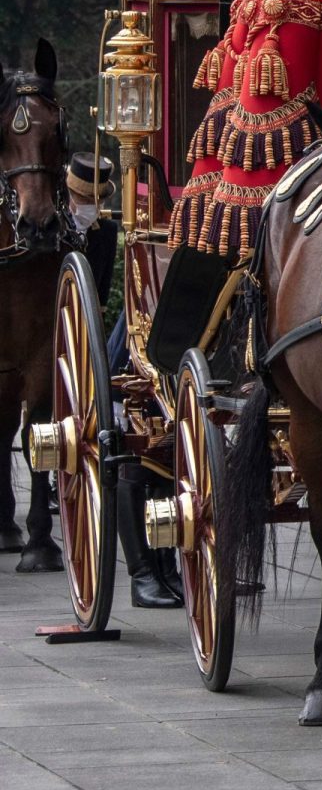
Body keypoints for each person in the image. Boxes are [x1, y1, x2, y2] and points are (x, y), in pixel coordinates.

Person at [68, 153, 184, 608]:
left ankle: (166, 567)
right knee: (134, 454)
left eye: (91, 200)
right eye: (81, 199)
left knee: (168, 459)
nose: (86, 207)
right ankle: (141, 573)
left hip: (134, 332)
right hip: (107, 349)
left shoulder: (111, 233)